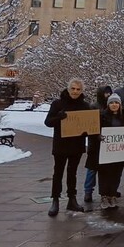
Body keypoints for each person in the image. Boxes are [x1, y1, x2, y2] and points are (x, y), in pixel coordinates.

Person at [45, 78, 91, 217]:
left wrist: (86, 131)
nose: (75, 91)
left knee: (73, 173)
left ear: (81, 91)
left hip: (76, 145)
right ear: (68, 88)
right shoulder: (58, 104)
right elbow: (48, 122)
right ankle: (55, 200)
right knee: (58, 172)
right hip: (61, 144)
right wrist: (59, 117)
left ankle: (72, 199)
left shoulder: (85, 106)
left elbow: (89, 125)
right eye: (73, 88)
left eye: (78, 89)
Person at [97, 93, 124, 209]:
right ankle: (104, 196)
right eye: (112, 103)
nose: (114, 105)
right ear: (108, 105)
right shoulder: (102, 116)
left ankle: (112, 194)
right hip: (105, 151)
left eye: (116, 102)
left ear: (120, 104)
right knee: (104, 174)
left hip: (119, 152)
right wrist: (99, 136)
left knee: (116, 174)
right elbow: (95, 131)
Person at [84, 85, 112, 203]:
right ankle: (88, 191)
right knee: (92, 170)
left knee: (105, 171)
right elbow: (89, 126)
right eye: (106, 93)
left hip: (107, 144)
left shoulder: (111, 106)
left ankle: (105, 192)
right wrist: (96, 136)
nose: (108, 95)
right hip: (95, 144)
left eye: (109, 93)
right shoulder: (93, 107)